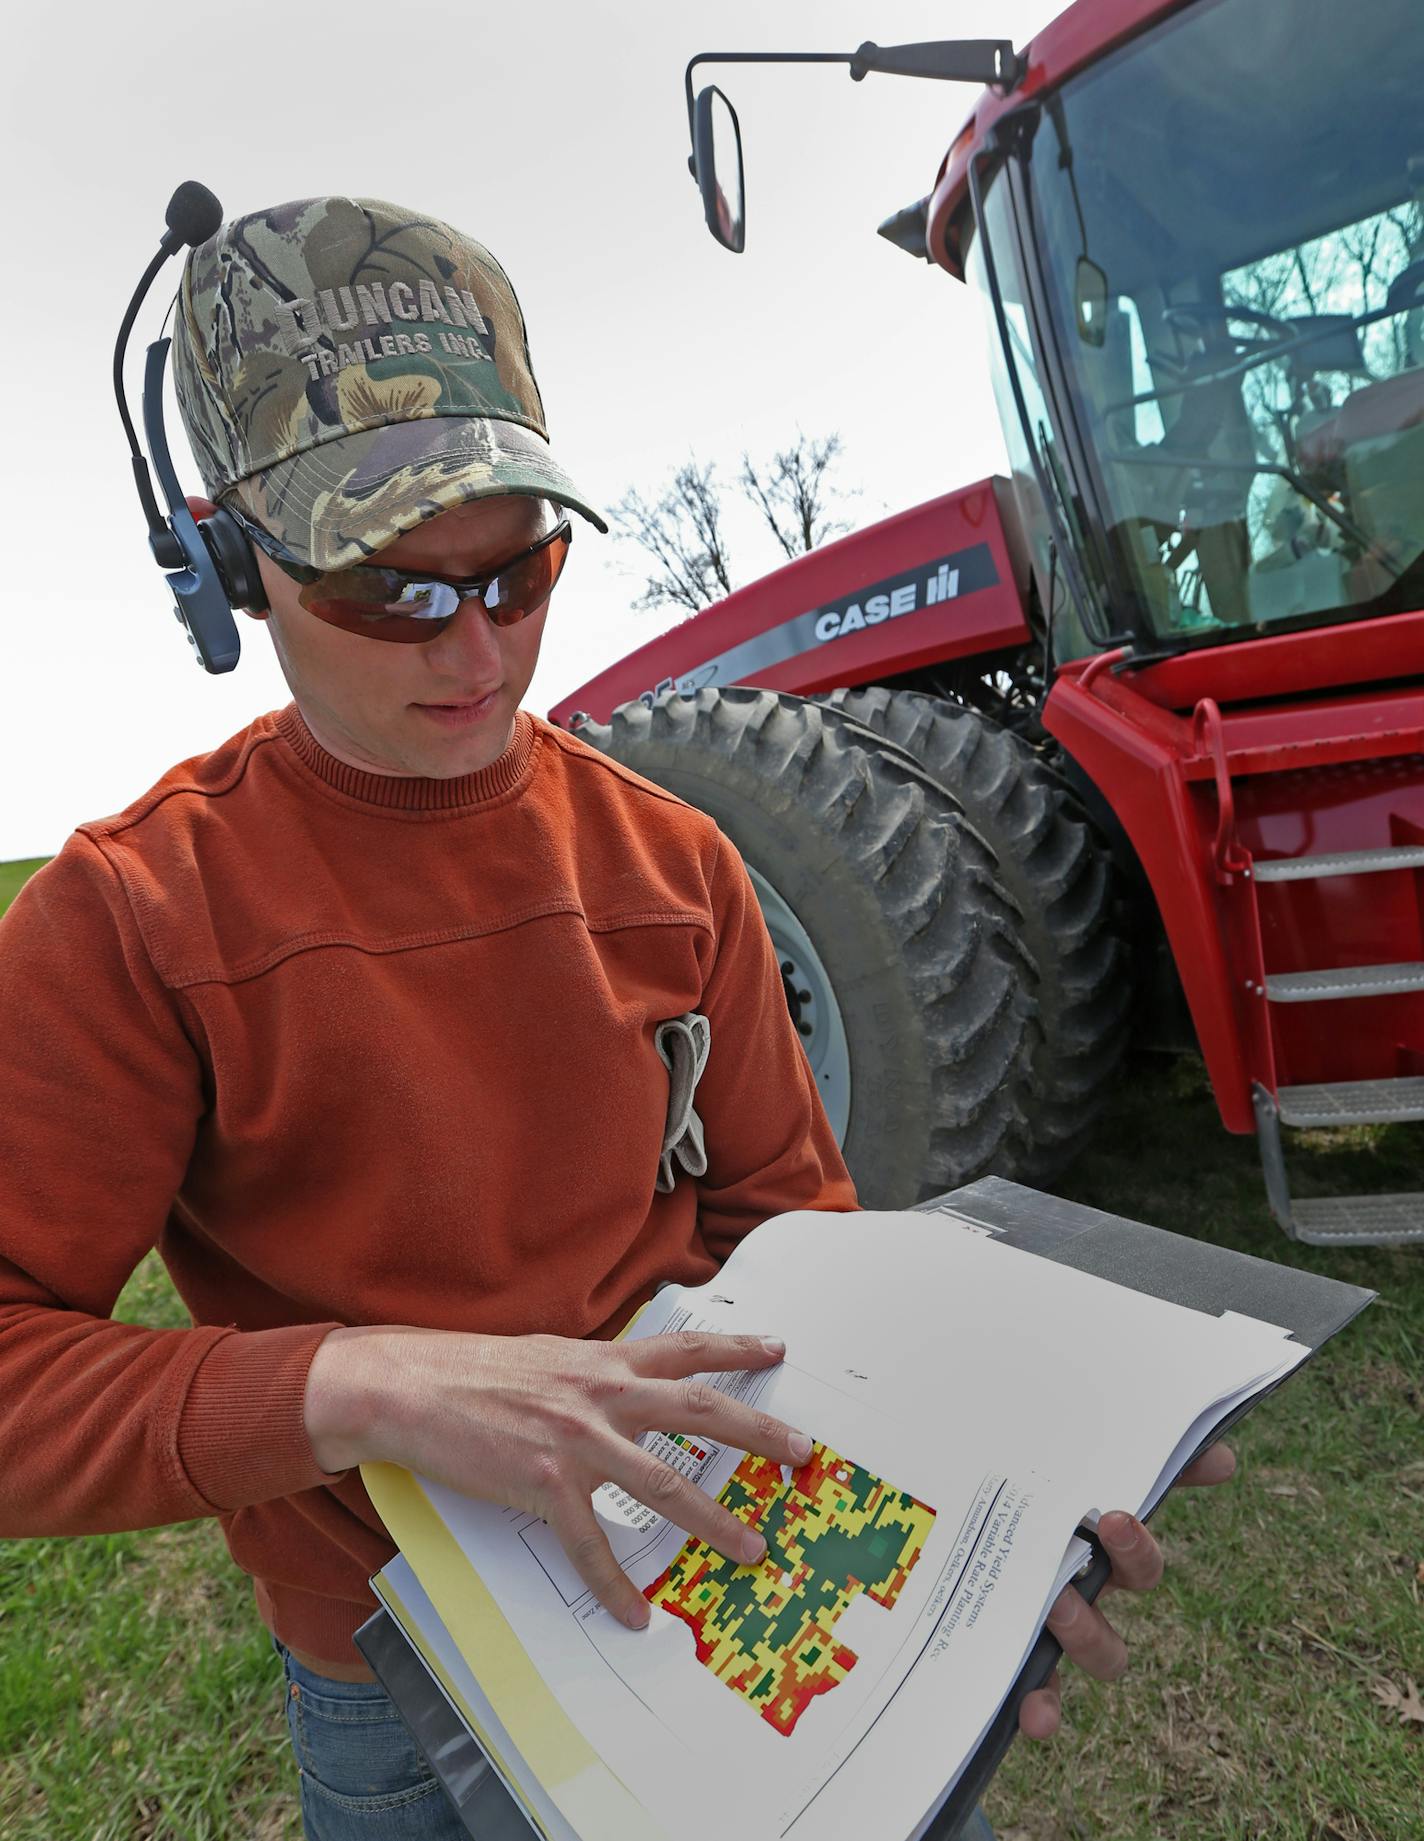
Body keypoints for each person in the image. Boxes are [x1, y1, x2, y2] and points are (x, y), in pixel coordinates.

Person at [0, 194, 1232, 1840]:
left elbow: (805, 1258)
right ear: (230, 562)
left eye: (521, 571)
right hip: (395, 1673)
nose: (481, 650)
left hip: (713, 1570)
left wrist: (971, 1513)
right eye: (394, 593)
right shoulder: (137, 916)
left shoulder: (673, 862)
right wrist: (358, 1387)